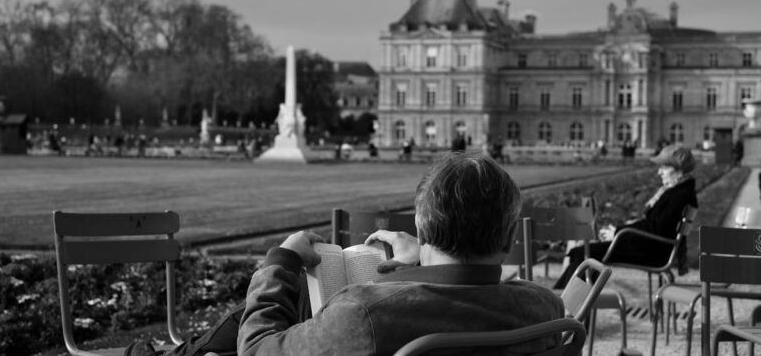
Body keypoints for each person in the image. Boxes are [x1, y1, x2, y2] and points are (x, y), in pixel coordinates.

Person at [125, 153, 564, 356]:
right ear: (508, 241)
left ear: (424, 227)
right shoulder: (546, 310)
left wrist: (280, 263)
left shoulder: (363, 316)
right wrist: (423, 263)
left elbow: (257, 349)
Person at [553, 144, 698, 289]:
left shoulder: (679, 195)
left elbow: (656, 227)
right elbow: (656, 225)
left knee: (585, 253)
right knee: (586, 252)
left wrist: (618, 232)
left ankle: (560, 303)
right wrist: (620, 229)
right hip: (654, 247)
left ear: (679, 170)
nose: (659, 172)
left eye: (665, 167)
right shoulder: (681, 191)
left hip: (653, 252)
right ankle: (567, 302)